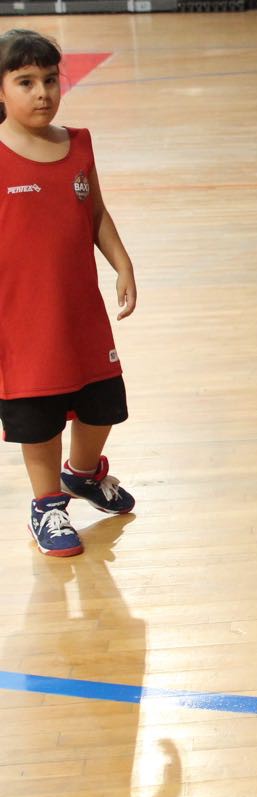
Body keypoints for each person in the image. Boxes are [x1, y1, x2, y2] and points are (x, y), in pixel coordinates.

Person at [0, 29, 138, 558]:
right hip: (21, 319)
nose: (42, 92)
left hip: (81, 312)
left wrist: (122, 264)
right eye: (26, 82)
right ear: (2, 90)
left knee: (102, 405)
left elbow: (95, 213)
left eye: (51, 80)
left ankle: (82, 474)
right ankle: (46, 505)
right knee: (37, 418)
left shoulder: (78, 143)